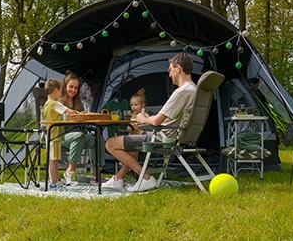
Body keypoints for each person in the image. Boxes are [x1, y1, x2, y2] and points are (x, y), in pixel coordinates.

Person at [102, 52, 197, 192]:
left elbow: (157, 120)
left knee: (110, 144)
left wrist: (142, 119)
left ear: (178, 68)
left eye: (170, 70)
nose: (170, 75)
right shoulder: (193, 89)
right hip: (172, 135)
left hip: (162, 138)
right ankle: (118, 178)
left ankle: (146, 178)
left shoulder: (181, 92)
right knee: (133, 132)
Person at [59, 71, 103, 185]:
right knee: (78, 136)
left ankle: (96, 173)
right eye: (71, 87)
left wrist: (83, 116)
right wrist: (72, 116)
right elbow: (56, 121)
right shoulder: (59, 102)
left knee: (98, 139)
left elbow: (81, 120)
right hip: (61, 136)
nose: (73, 90)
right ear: (65, 86)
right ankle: (70, 171)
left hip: (79, 134)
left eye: (76, 88)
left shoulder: (78, 102)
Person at [42, 78, 79, 187]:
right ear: (55, 91)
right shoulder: (55, 104)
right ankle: (54, 182)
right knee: (54, 160)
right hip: (55, 136)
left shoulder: (47, 104)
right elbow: (70, 111)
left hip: (50, 135)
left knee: (53, 158)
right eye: (60, 92)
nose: (61, 94)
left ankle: (55, 179)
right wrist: (79, 113)